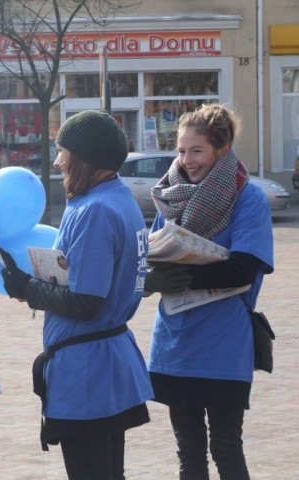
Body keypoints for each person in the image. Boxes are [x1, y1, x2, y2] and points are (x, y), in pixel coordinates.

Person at [0, 110, 153, 480]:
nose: (56, 161)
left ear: (85, 157)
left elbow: (86, 301)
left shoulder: (96, 210)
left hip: (88, 374)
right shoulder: (118, 199)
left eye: (62, 151)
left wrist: (26, 289)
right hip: (107, 362)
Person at [145, 103, 274, 480]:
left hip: (222, 346)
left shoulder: (247, 200)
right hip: (174, 345)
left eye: (196, 150)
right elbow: (153, 260)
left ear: (222, 149)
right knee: (189, 454)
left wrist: (178, 273)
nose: (186, 160)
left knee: (226, 449)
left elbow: (242, 270)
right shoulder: (168, 198)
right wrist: (151, 276)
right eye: (181, 150)